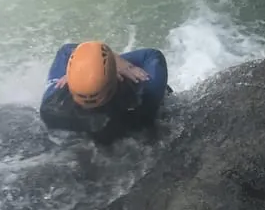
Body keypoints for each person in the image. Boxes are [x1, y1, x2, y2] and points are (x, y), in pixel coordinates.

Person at [40, 40, 170, 141]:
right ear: (117, 75)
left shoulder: (50, 108)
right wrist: (123, 64)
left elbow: (66, 50)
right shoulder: (144, 99)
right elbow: (153, 56)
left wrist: (79, 71)